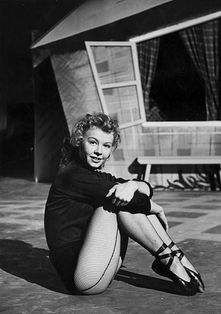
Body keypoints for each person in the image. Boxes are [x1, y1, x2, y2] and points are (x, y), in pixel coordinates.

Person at [44, 112, 204, 295]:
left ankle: (175, 258)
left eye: (106, 145)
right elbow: (136, 199)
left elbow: (145, 189)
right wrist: (156, 207)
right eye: (93, 142)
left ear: (111, 149)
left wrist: (133, 184)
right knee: (118, 201)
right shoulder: (72, 175)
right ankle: (170, 259)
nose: (99, 151)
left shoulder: (94, 175)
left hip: (103, 264)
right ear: (80, 141)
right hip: (83, 276)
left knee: (123, 194)